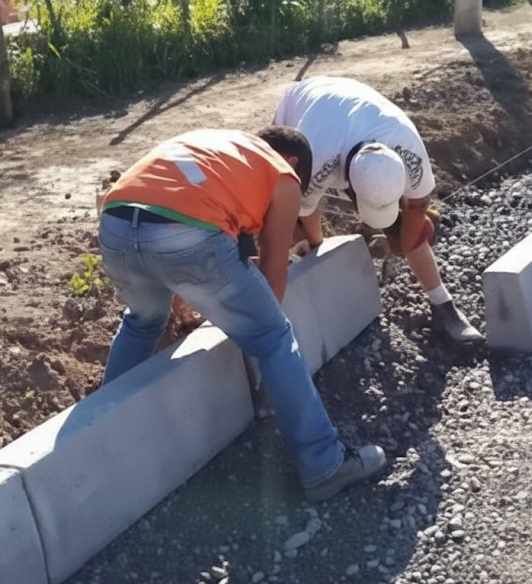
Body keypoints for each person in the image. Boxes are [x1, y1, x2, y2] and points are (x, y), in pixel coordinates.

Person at [96, 126, 385, 502]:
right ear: (294, 163)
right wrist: (261, 341)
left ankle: (99, 443)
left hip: (116, 226)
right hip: (184, 234)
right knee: (274, 337)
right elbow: (274, 272)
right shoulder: (282, 176)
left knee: (143, 322)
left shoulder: (220, 145)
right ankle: (324, 464)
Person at [271, 76, 485, 346]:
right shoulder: (315, 156)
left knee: (410, 231)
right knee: (283, 208)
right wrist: (318, 250)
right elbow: (307, 211)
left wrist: (402, 243)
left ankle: (443, 305)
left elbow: (416, 212)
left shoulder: (409, 150)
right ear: (350, 189)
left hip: (356, 109)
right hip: (304, 104)